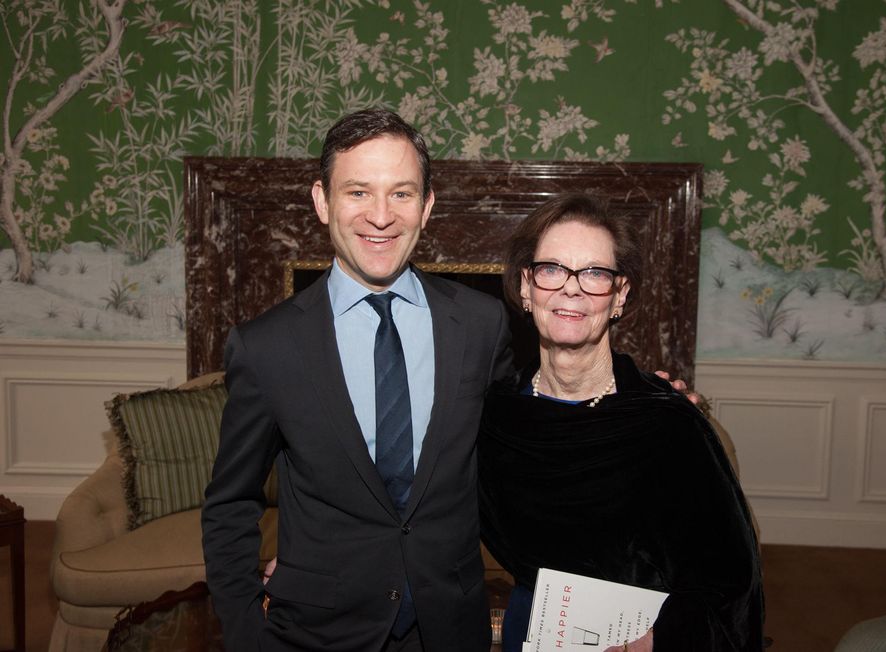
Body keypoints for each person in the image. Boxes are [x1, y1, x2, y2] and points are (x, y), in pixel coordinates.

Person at [201, 108, 512, 652]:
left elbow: (520, 458)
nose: (381, 216)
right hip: (318, 634)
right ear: (322, 201)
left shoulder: (481, 325)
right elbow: (230, 505)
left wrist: (631, 398)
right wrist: (249, 637)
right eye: (358, 192)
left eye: (401, 193)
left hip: (449, 628)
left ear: (427, 206)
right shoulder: (267, 346)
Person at [478, 194, 765, 652]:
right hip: (530, 635)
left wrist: (655, 642)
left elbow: (730, 581)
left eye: (594, 273)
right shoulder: (495, 417)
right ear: (526, 287)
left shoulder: (666, 423)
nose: (571, 288)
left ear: (620, 295)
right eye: (552, 269)